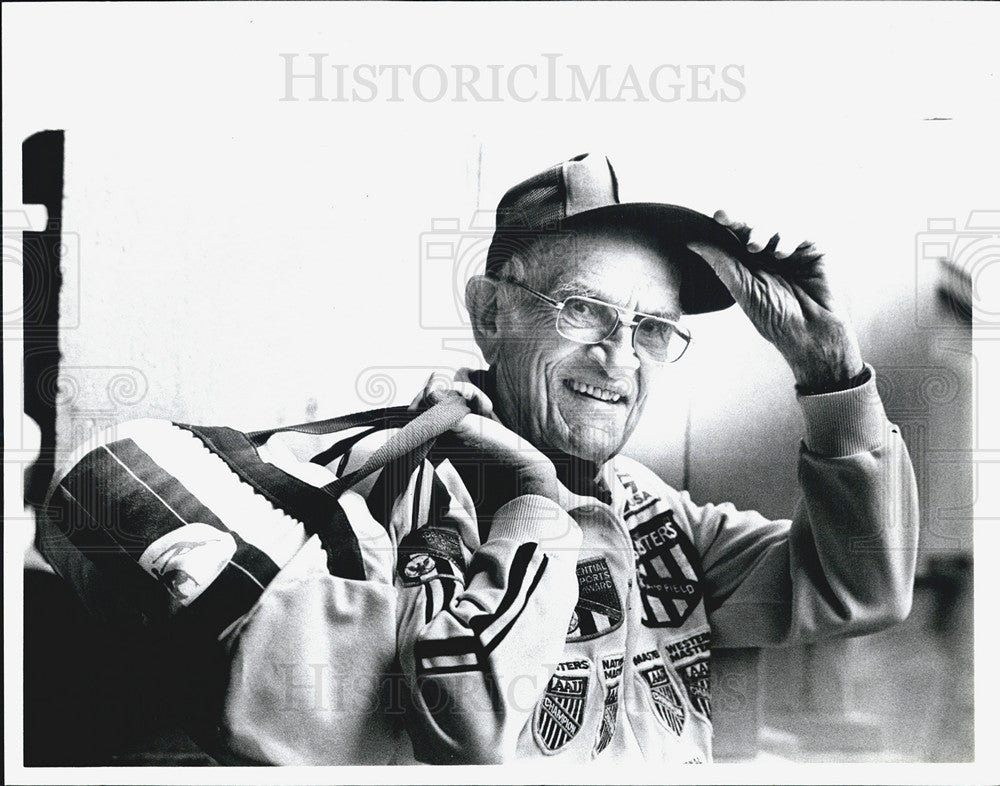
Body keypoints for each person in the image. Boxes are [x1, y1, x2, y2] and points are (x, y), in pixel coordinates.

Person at [350, 152, 919, 765]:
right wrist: (537, 501)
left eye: (651, 327)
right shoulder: (402, 488)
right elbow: (458, 727)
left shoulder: (650, 509)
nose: (619, 357)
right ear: (491, 313)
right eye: (584, 311)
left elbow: (861, 585)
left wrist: (829, 371)